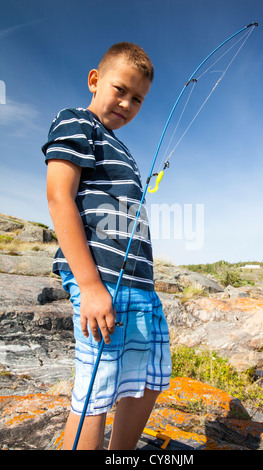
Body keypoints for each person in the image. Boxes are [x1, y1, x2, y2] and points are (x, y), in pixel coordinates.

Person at [42, 42, 172, 450]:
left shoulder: (126, 152)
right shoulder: (75, 121)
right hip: (101, 281)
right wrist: (92, 287)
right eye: (120, 89)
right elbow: (59, 197)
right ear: (95, 81)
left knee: (148, 378)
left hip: (139, 284)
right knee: (97, 390)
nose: (128, 103)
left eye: (138, 99)